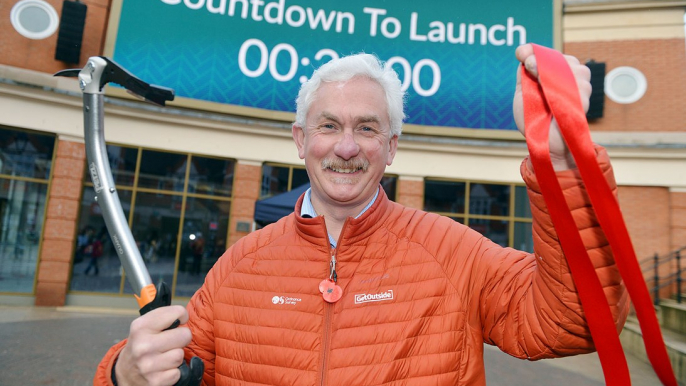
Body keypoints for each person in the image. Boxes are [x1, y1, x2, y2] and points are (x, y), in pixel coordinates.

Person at [95, 44, 629, 386]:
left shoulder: (454, 252)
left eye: (367, 129)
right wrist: (123, 374)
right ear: (301, 140)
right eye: (328, 126)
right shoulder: (239, 267)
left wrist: (558, 158)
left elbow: (574, 325)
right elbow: (172, 368)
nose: (346, 147)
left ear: (391, 147)